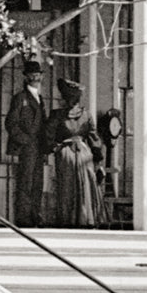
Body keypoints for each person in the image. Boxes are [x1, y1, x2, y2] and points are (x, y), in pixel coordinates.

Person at [44, 78, 109, 228]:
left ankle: (69, 220)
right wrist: (98, 162)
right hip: (84, 152)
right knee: (85, 185)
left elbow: (47, 137)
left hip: (66, 153)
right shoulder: (86, 115)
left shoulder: (57, 115)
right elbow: (94, 139)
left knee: (67, 187)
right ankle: (86, 219)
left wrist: (55, 148)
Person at [5, 60, 48, 227]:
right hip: (26, 147)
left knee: (37, 182)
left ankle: (35, 215)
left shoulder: (40, 98)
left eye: (38, 74)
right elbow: (11, 123)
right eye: (32, 74)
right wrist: (24, 140)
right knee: (25, 182)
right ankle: (23, 218)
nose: (35, 77)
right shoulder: (20, 98)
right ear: (26, 76)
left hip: (39, 147)